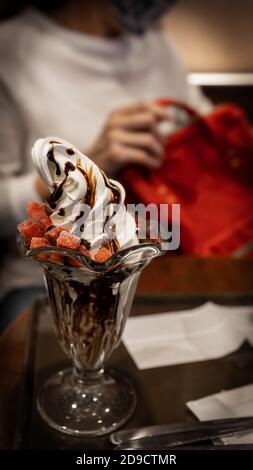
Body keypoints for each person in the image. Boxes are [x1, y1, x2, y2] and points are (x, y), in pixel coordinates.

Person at [0, 0, 212, 331]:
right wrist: (81, 172)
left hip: (161, 264)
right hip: (51, 281)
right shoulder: (10, 51)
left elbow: (203, 124)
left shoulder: (155, 44)